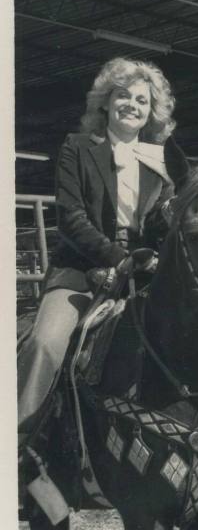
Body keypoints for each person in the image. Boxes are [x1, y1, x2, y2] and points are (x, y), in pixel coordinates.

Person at [17, 56, 175, 452]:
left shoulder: (161, 162)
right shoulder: (77, 148)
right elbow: (71, 218)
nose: (132, 105)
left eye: (142, 100)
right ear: (105, 102)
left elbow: (156, 224)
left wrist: (168, 221)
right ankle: (20, 449)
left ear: (150, 111)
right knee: (45, 345)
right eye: (124, 96)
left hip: (142, 272)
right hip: (80, 272)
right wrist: (117, 257)